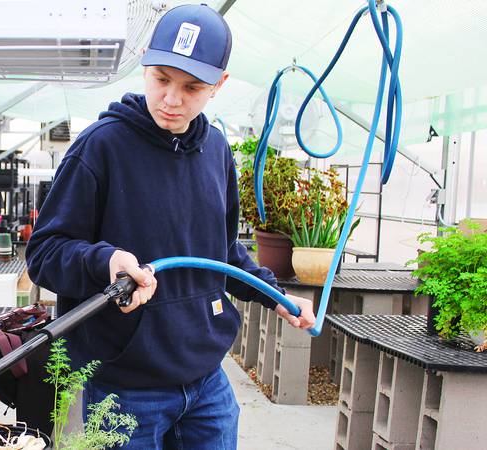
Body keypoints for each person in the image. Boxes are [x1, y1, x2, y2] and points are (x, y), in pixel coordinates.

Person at [25, 4, 316, 449]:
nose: (172, 99)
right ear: (144, 62)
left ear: (220, 84)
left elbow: (222, 252)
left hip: (207, 383)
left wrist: (273, 293)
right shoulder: (101, 147)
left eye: (193, 87)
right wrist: (108, 262)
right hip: (125, 388)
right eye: (161, 78)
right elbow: (45, 253)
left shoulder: (216, 150)